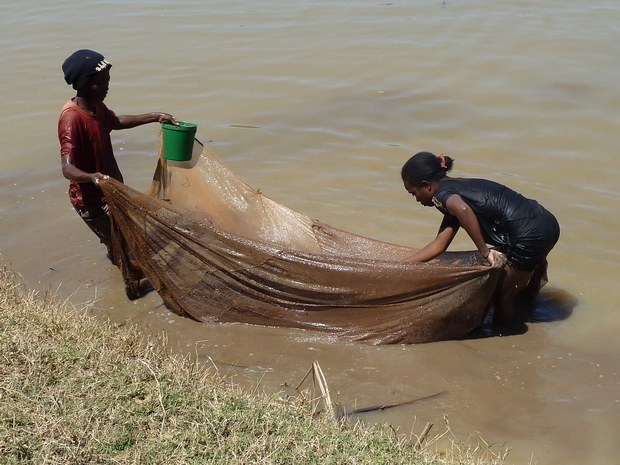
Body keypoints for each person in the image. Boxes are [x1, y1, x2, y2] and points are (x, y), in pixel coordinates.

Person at [401, 151, 560, 326]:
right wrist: (401, 266)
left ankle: (504, 338)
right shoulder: (455, 188)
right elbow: (439, 245)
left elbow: (463, 210)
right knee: (522, 278)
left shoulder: (442, 196)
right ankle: (529, 307)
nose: (416, 199)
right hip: (545, 221)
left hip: (530, 234)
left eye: (414, 193)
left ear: (427, 186)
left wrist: (485, 252)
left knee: (501, 296)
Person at [58, 49, 177, 259]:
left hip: (111, 192)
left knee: (125, 240)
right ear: (82, 85)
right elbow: (67, 167)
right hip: (92, 201)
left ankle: (125, 273)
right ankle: (131, 285)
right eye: (101, 83)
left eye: (108, 80)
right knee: (122, 246)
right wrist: (90, 177)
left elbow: (116, 122)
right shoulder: (72, 119)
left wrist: (155, 116)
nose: (107, 87)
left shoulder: (96, 106)